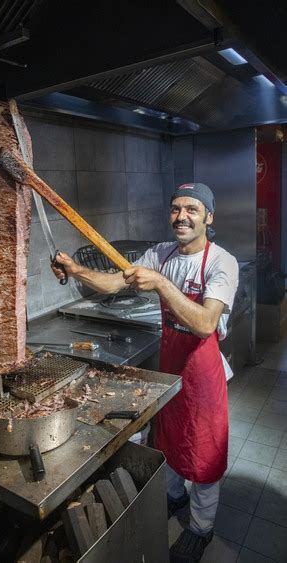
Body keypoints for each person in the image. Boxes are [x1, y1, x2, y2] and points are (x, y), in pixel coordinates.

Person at [52, 183, 239, 563]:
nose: (181, 216)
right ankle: (173, 495)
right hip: (171, 369)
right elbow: (115, 282)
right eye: (175, 208)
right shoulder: (161, 253)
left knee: (204, 451)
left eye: (192, 209)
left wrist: (161, 283)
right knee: (167, 438)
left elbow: (204, 323)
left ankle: (202, 528)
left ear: (209, 217)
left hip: (203, 372)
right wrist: (76, 270)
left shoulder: (222, 262)